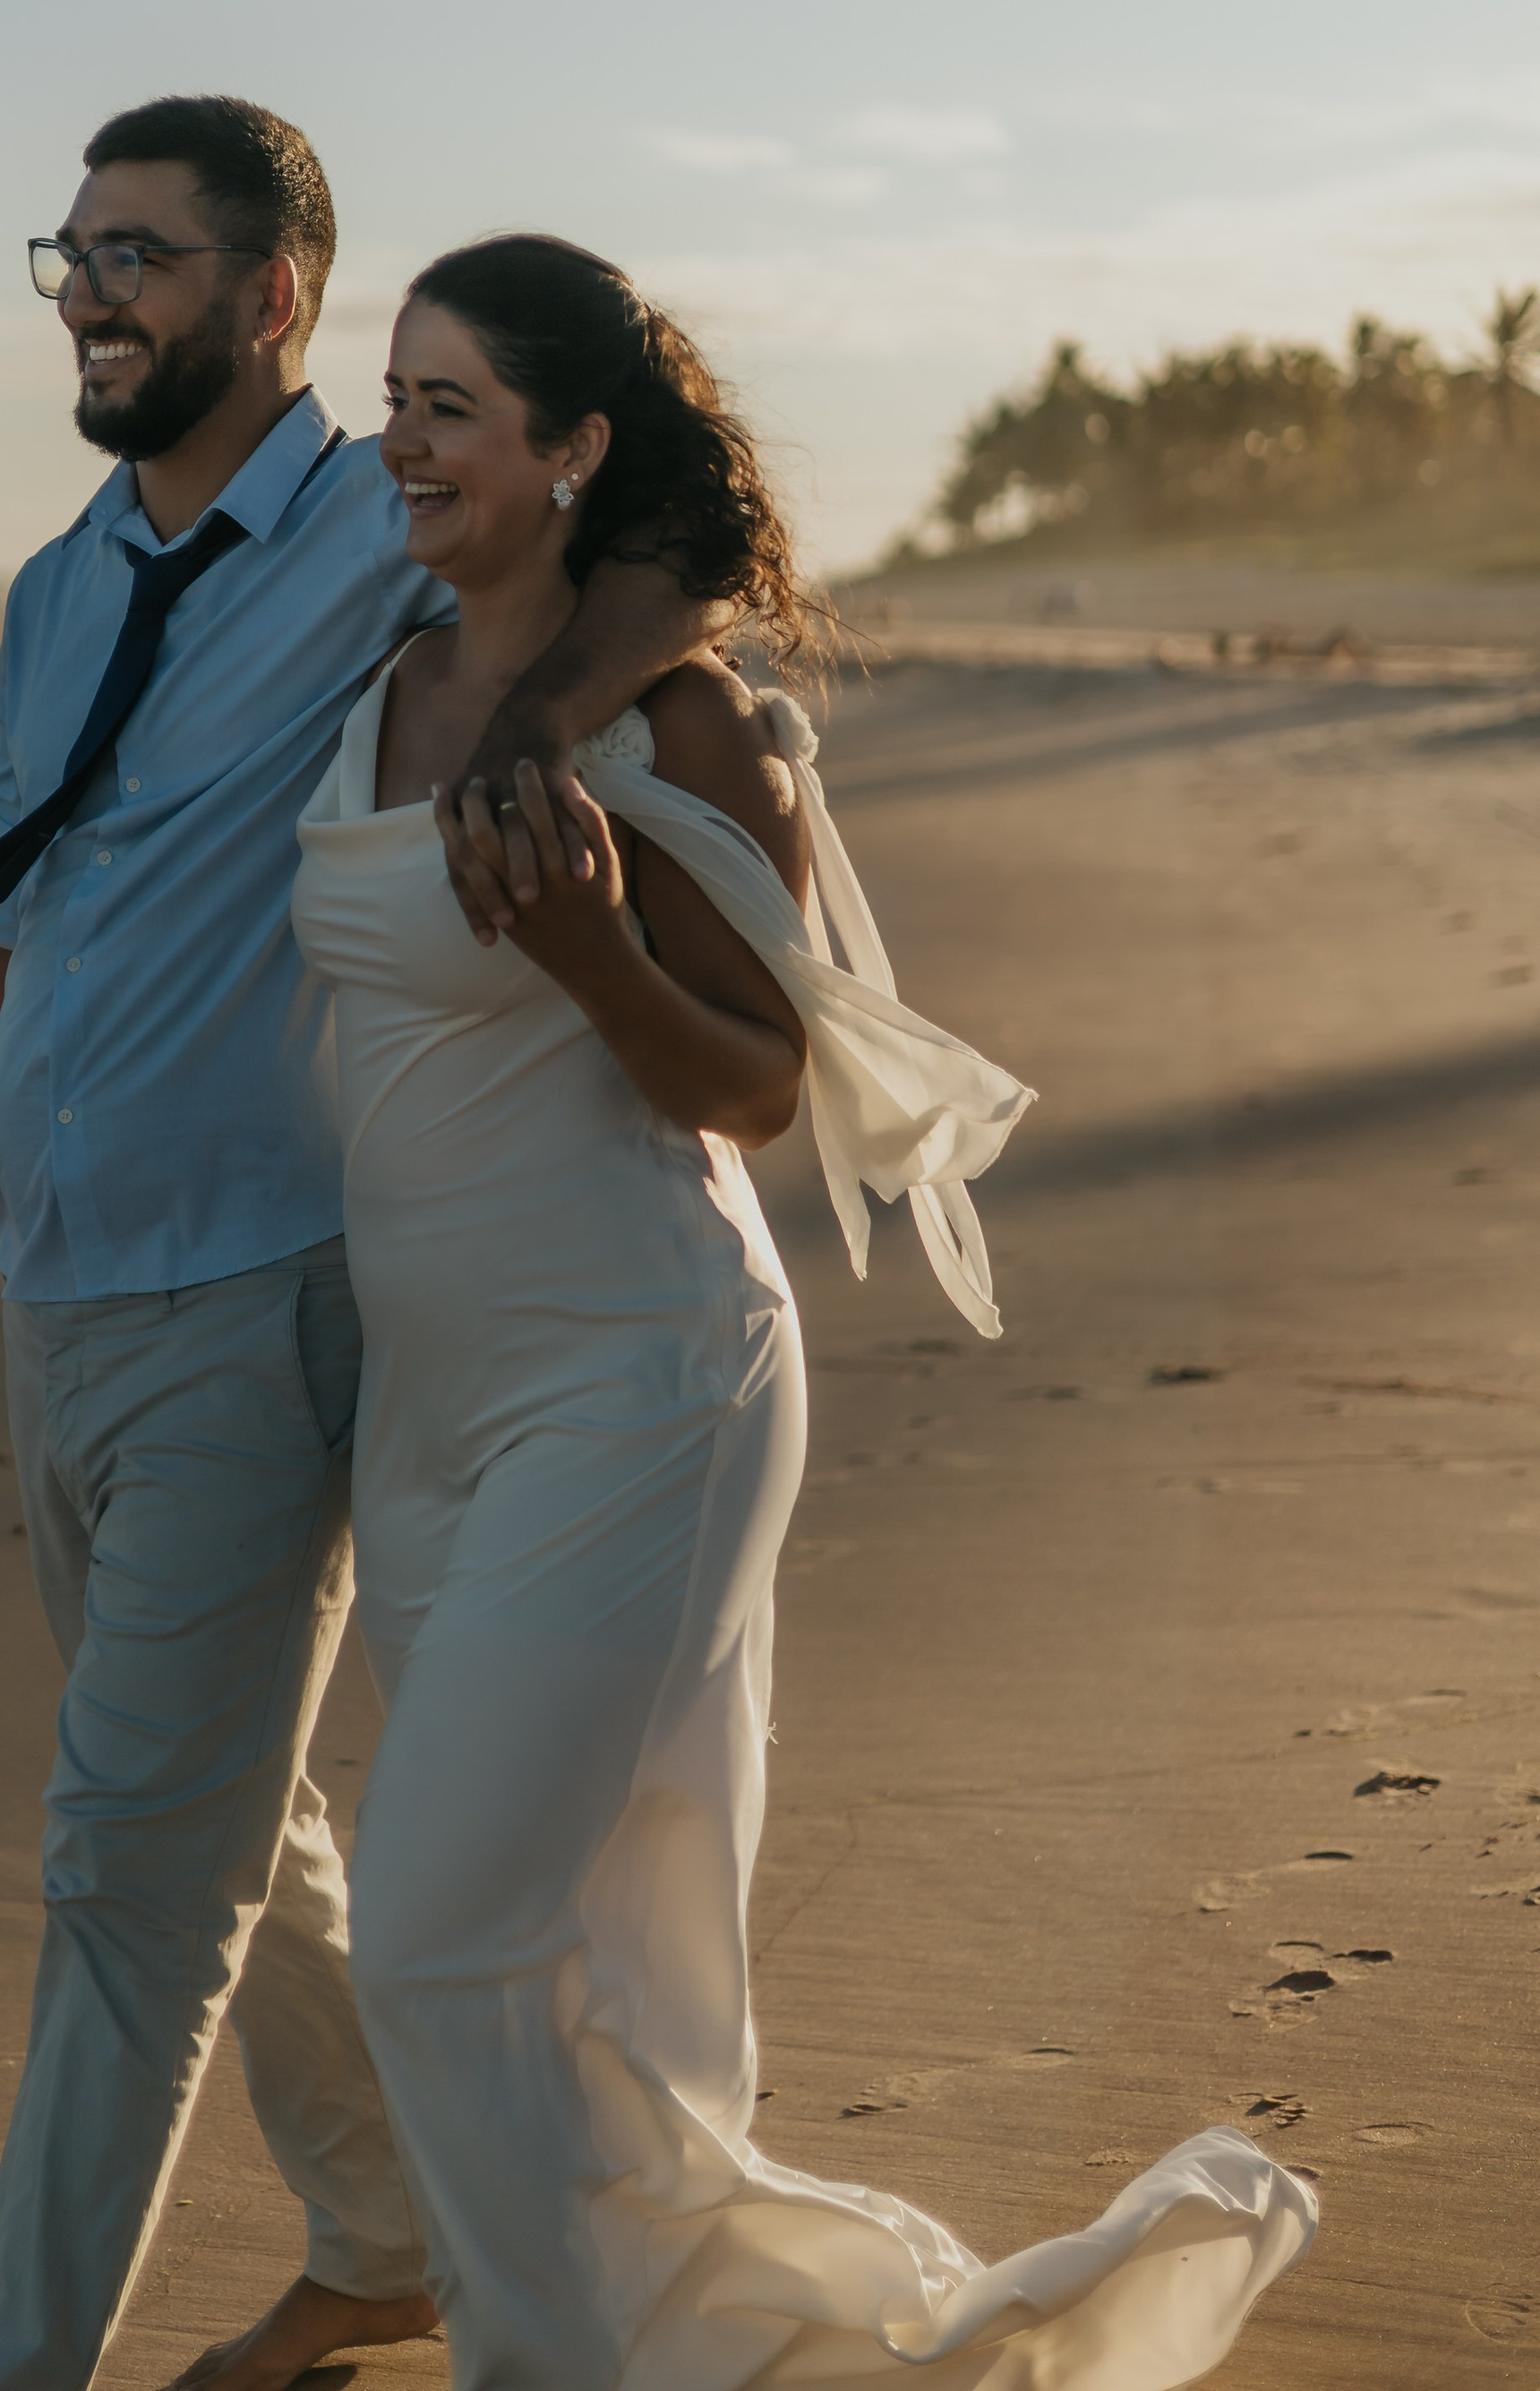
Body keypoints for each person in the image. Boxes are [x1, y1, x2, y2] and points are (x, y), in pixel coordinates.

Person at [0, 104, 724, 2391]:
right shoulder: (57, 583)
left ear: (271, 295)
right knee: (218, 1807)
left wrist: (551, 728)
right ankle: (384, 2231)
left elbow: (675, 550)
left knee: (125, 1880)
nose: (88, 295)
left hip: (273, 1295)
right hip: (61, 1288)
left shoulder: (387, 531)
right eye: (68, 255)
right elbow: (2, 918)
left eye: (141, 258)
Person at [287, 234, 1318, 2390]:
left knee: (439, 1943)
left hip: (637, 1381)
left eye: (448, 404)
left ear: (569, 449)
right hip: (431, 1410)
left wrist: (583, 949)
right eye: (391, 395)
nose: (395, 439)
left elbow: (751, 1088)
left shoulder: (677, 721)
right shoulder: (370, 673)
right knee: (580, 1985)